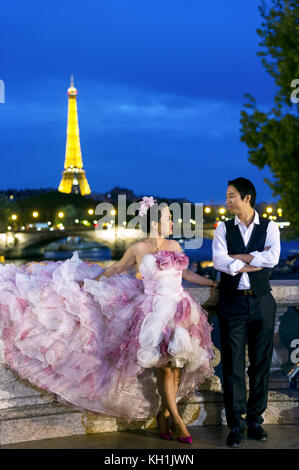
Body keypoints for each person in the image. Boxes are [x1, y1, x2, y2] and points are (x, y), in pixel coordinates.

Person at [0, 196, 217, 444]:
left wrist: (212, 282)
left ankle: (164, 416)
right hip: (154, 311)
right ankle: (176, 420)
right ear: (156, 221)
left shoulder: (175, 246)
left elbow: (186, 273)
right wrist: (89, 283)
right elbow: (114, 269)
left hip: (179, 309)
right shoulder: (137, 248)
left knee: (176, 367)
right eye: (168, 218)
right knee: (166, 366)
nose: (172, 223)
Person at [212, 177, 280, 448]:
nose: (227, 201)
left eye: (231, 196)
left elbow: (273, 258)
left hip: (262, 303)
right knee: (233, 366)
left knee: (261, 364)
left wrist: (239, 259)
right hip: (232, 304)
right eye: (227, 196)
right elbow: (220, 261)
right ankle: (236, 425)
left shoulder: (270, 226)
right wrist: (255, 259)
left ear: (247, 198)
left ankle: (255, 421)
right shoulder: (223, 228)